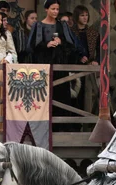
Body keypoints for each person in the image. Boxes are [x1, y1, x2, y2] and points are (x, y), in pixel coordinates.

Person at [27, 0, 84, 131]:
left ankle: (61, 128)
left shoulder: (62, 25)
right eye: (53, 9)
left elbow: (72, 46)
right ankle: (41, 128)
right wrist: (46, 45)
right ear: (46, 9)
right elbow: (31, 47)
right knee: (43, 96)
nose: (55, 12)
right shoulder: (38, 26)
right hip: (43, 66)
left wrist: (61, 42)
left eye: (57, 9)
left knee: (61, 96)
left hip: (59, 65)